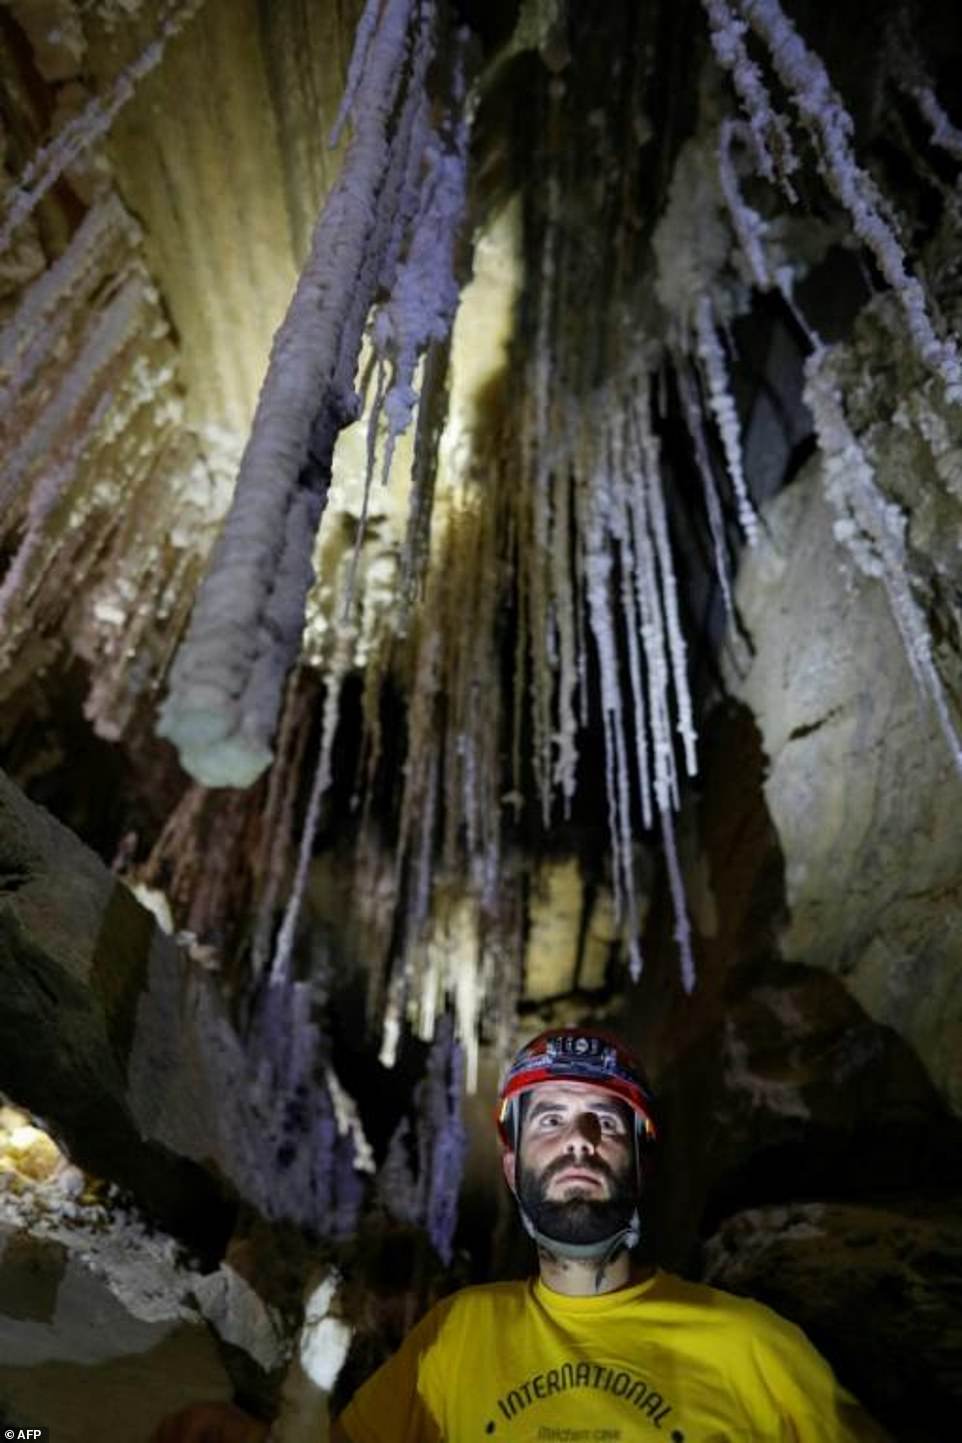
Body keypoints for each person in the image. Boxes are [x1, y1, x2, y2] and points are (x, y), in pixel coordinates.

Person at [153, 1026, 890, 1442]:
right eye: (549, 1119)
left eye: (606, 1120)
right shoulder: (456, 1333)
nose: (579, 1138)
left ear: (641, 1158)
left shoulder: (756, 1347)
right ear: (512, 1163)